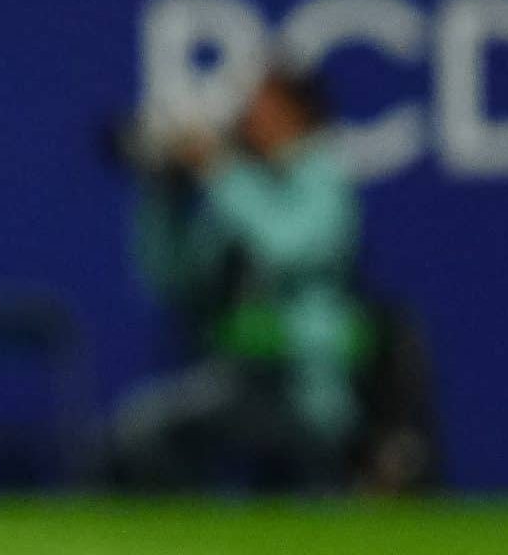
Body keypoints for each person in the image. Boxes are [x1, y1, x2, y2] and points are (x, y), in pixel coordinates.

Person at [110, 69, 365, 491]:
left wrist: (218, 168)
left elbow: (286, 246)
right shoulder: (246, 184)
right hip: (238, 378)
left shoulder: (325, 181)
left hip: (308, 385)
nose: (248, 118)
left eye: (262, 108)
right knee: (141, 434)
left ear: (297, 113)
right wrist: (165, 197)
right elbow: (176, 280)